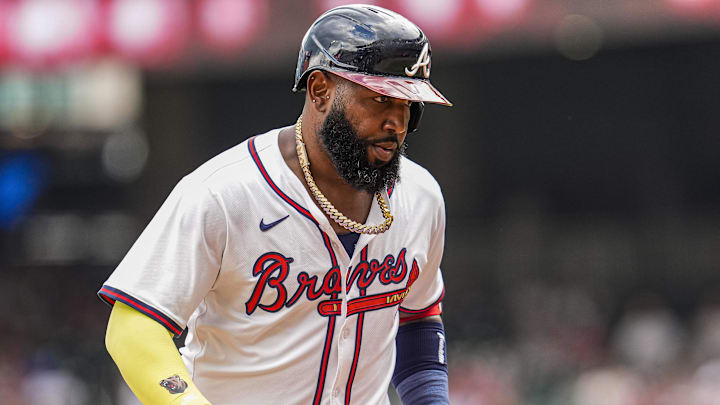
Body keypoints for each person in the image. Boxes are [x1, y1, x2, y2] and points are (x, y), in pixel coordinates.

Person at [99, 4, 452, 404]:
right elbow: (132, 328)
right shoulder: (224, 193)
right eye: (380, 100)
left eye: (408, 105)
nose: (397, 123)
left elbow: (419, 318)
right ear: (320, 89)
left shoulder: (420, 196)